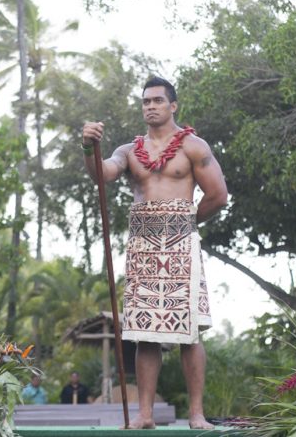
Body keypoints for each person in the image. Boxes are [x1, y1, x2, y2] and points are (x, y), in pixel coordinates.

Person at [81, 76, 228, 430]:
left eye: (158, 101)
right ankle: (144, 415)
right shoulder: (129, 151)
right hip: (143, 247)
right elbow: (103, 174)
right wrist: (89, 148)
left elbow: (218, 195)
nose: (150, 106)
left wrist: (187, 222)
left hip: (181, 245)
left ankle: (196, 414)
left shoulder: (193, 146)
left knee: (188, 330)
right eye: (146, 101)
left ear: (173, 105)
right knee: (145, 333)